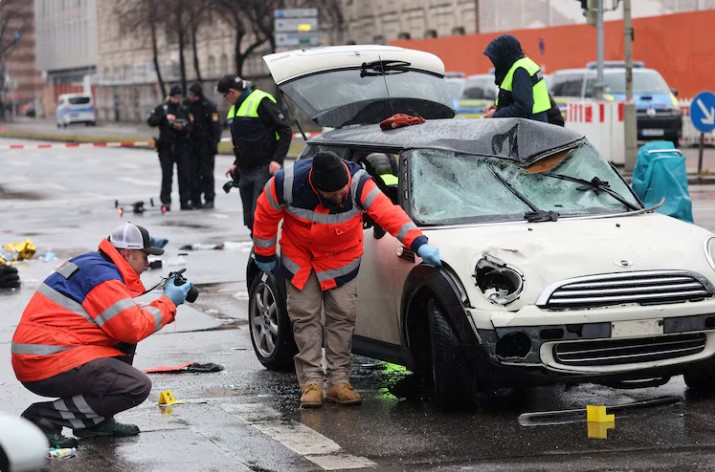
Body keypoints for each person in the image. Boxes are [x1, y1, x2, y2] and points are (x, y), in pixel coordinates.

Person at [252, 151, 442, 408]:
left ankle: (339, 382)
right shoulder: (286, 184)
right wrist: (264, 254)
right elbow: (265, 214)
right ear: (318, 189)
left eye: (343, 191)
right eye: (335, 195)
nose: (342, 197)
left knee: (342, 318)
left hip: (341, 261)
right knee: (304, 317)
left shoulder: (359, 184)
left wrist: (419, 244)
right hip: (301, 260)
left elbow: (388, 213)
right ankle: (311, 383)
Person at [11, 223, 194, 448]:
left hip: (44, 354)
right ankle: (43, 418)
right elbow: (133, 326)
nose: (147, 264)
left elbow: (123, 322)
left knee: (123, 344)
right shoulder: (103, 278)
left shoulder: (95, 265)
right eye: (145, 256)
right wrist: (168, 302)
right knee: (135, 386)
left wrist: (162, 302)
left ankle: (95, 423)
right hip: (45, 360)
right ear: (128, 253)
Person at [216, 74, 292, 234]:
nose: (225, 100)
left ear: (231, 92)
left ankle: (265, 255)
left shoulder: (261, 100)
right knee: (250, 218)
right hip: (245, 170)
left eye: (224, 96)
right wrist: (237, 164)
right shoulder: (235, 108)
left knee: (261, 217)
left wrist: (277, 160)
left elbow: (285, 130)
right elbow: (244, 140)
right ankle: (259, 251)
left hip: (264, 167)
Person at [482, 35, 551, 122]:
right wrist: (497, 107)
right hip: (536, 124)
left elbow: (523, 108)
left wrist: (496, 114)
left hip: (529, 128)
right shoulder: (524, 64)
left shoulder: (520, 71)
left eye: (496, 58)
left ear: (504, 55)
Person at [147, 84, 193, 211]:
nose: (177, 100)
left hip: (182, 146)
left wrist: (183, 126)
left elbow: (190, 126)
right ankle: (166, 201)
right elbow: (151, 121)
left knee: (184, 175)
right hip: (166, 147)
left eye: (179, 97)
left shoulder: (183, 108)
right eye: (175, 97)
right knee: (167, 175)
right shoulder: (162, 108)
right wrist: (164, 118)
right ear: (170, 97)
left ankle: (185, 200)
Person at [187, 82, 222, 209]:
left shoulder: (209, 106)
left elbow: (216, 127)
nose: (189, 96)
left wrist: (214, 143)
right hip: (193, 146)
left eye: (191, 94)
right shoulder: (189, 106)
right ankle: (195, 199)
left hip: (206, 146)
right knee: (194, 174)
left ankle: (209, 198)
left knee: (207, 174)